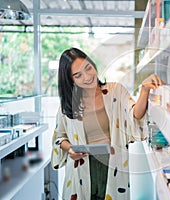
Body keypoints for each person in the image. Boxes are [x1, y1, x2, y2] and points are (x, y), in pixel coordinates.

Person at [51, 47, 163, 200]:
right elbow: (59, 137)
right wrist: (70, 149)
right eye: (78, 75)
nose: (87, 77)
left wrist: (144, 90)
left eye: (88, 68)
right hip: (81, 170)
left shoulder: (115, 91)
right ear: (70, 80)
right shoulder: (68, 104)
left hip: (111, 165)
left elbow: (134, 114)